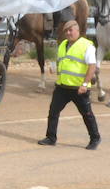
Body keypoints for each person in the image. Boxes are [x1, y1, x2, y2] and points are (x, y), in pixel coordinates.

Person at [37, 18, 101, 150]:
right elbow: (61, 62)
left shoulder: (86, 45)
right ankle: (51, 138)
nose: (68, 33)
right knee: (53, 112)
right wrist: (54, 68)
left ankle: (95, 138)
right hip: (62, 87)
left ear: (78, 31)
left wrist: (85, 84)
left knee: (87, 114)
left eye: (71, 30)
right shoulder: (62, 45)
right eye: (66, 30)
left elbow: (92, 66)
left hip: (79, 88)